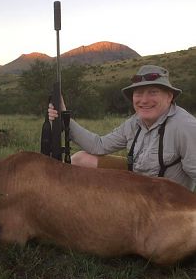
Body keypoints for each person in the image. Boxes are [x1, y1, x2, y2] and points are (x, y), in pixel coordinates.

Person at [48, 65, 196, 191]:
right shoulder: (134, 122)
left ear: (169, 96)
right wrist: (64, 117)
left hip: (165, 205)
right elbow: (99, 145)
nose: (144, 100)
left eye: (153, 92)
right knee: (81, 159)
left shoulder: (185, 127)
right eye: (138, 93)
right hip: (137, 188)